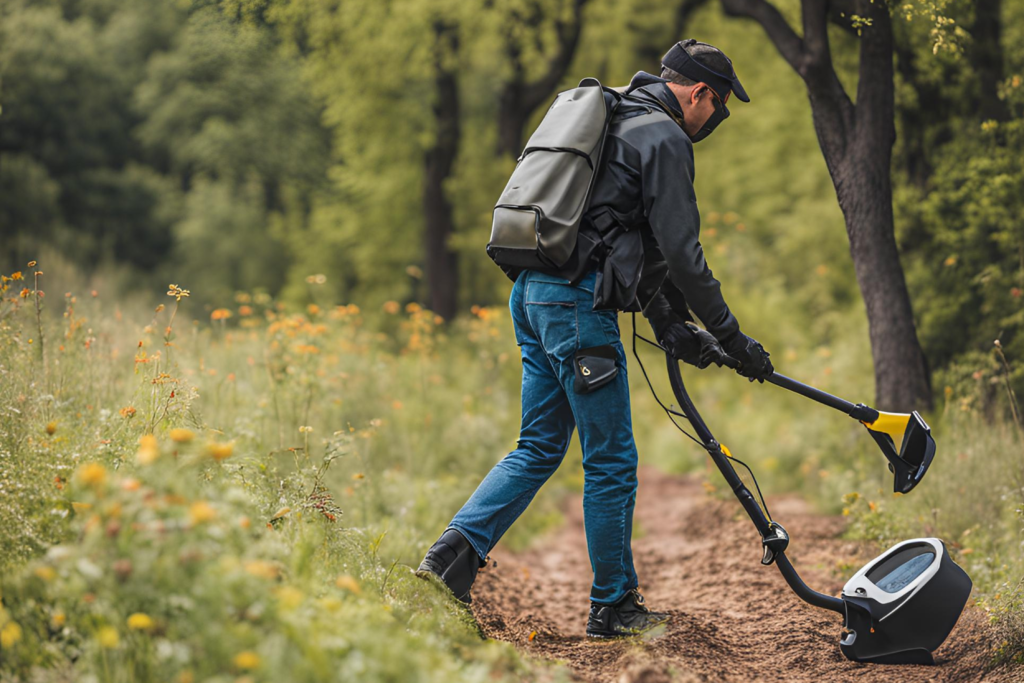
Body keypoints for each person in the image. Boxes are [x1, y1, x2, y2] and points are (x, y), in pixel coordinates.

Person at [416, 39, 774, 639]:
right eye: (718, 108)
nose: (716, 121)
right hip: (575, 309)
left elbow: (622, 235)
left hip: (532, 294)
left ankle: (447, 561)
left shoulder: (615, 117)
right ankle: (613, 605)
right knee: (610, 458)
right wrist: (733, 337)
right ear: (700, 94)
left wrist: (671, 327)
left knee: (538, 445)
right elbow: (685, 256)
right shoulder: (664, 138)